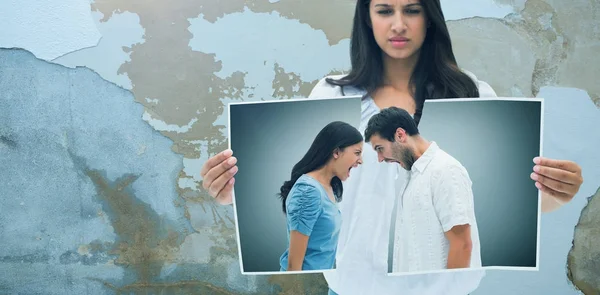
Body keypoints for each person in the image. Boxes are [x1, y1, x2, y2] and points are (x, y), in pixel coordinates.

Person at [200, 0, 584, 293]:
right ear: (367, 18)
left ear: (429, 18)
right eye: (384, 10)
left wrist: (556, 195)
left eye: (412, 10)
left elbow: (495, 208)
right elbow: (312, 193)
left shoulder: (473, 95)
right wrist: (233, 195)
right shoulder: (332, 95)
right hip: (354, 288)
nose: (398, 24)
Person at [364, 106, 480, 273]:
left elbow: (462, 245)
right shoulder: (413, 178)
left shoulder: (446, 170)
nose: (380, 159)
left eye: (380, 149)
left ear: (400, 135)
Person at [278, 121, 364, 272]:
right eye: (357, 153)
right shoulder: (308, 191)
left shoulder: (328, 188)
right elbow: (293, 267)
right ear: (336, 152)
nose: (360, 160)